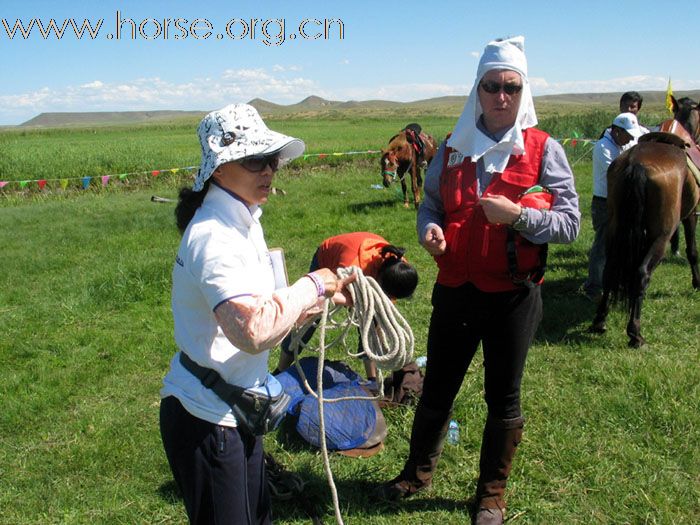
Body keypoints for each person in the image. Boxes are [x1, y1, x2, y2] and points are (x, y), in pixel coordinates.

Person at [378, 36, 580, 525]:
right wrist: (428, 227)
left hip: (513, 295)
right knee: (438, 388)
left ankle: (491, 494)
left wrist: (518, 217)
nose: (501, 95)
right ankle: (415, 474)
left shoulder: (543, 149)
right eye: (492, 85)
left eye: (511, 86)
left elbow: (570, 223)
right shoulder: (450, 148)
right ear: (479, 89)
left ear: (522, 89)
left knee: (502, 397)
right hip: (455, 290)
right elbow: (431, 203)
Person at [159, 103, 355, 525]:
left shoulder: (242, 219)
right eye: (253, 160)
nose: (267, 170)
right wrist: (313, 285)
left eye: (271, 160)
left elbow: (263, 308)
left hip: (233, 406)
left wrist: (321, 302)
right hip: (208, 416)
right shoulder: (214, 236)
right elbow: (252, 330)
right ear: (217, 168)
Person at [274, 231, 418, 380]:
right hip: (328, 260)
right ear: (381, 281)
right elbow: (330, 296)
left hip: (363, 265)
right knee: (309, 318)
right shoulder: (352, 266)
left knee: (370, 325)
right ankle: (280, 370)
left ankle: (372, 380)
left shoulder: (399, 266)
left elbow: (376, 313)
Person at [583, 112, 644, 301]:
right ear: (616, 131)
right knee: (602, 245)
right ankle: (593, 287)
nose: (631, 138)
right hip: (604, 202)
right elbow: (619, 174)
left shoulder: (626, 142)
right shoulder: (603, 147)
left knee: (619, 244)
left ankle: (613, 280)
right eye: (628, 134)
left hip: (622, 201)